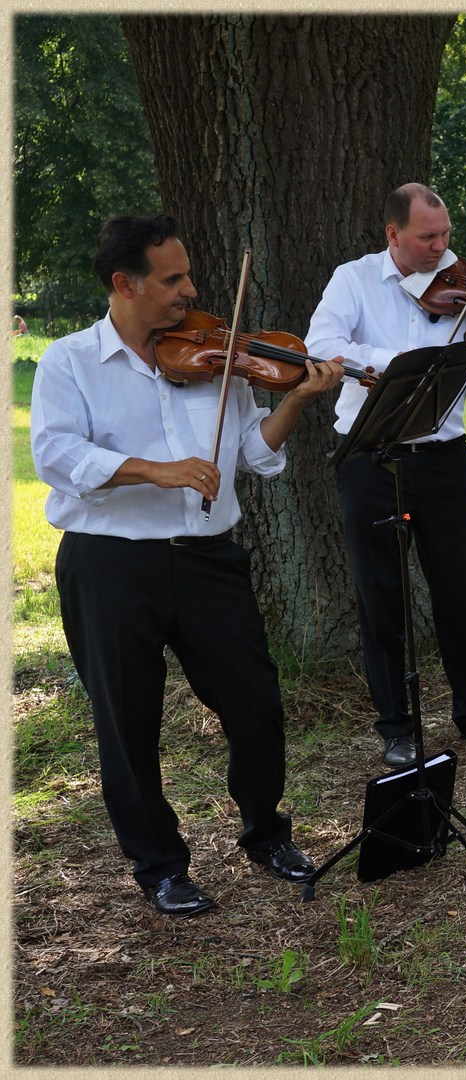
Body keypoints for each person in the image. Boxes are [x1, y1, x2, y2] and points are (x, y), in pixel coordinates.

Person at [30, 214, 345, 916]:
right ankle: (160, 866)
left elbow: (255, 454)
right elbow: (56, 456)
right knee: (128, 720)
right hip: (110, 565)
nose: (189, 291)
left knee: (256, 704)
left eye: (189, 276)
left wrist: (293, 397)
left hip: (207, 559)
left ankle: (265, 834)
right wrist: (155, 471)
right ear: (125, 283)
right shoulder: (69, 361)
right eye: (172, 279)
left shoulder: (212, 356)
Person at [306, 183, 466, 768]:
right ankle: (396, 727)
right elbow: (320, 344)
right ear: (392, 234)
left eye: (446, 235)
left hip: (447, 461)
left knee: (458, 591)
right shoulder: (353, 280)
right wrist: (402, 365)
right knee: (381, 597)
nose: (442, 249)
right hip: (371, 457)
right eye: (428, 238)